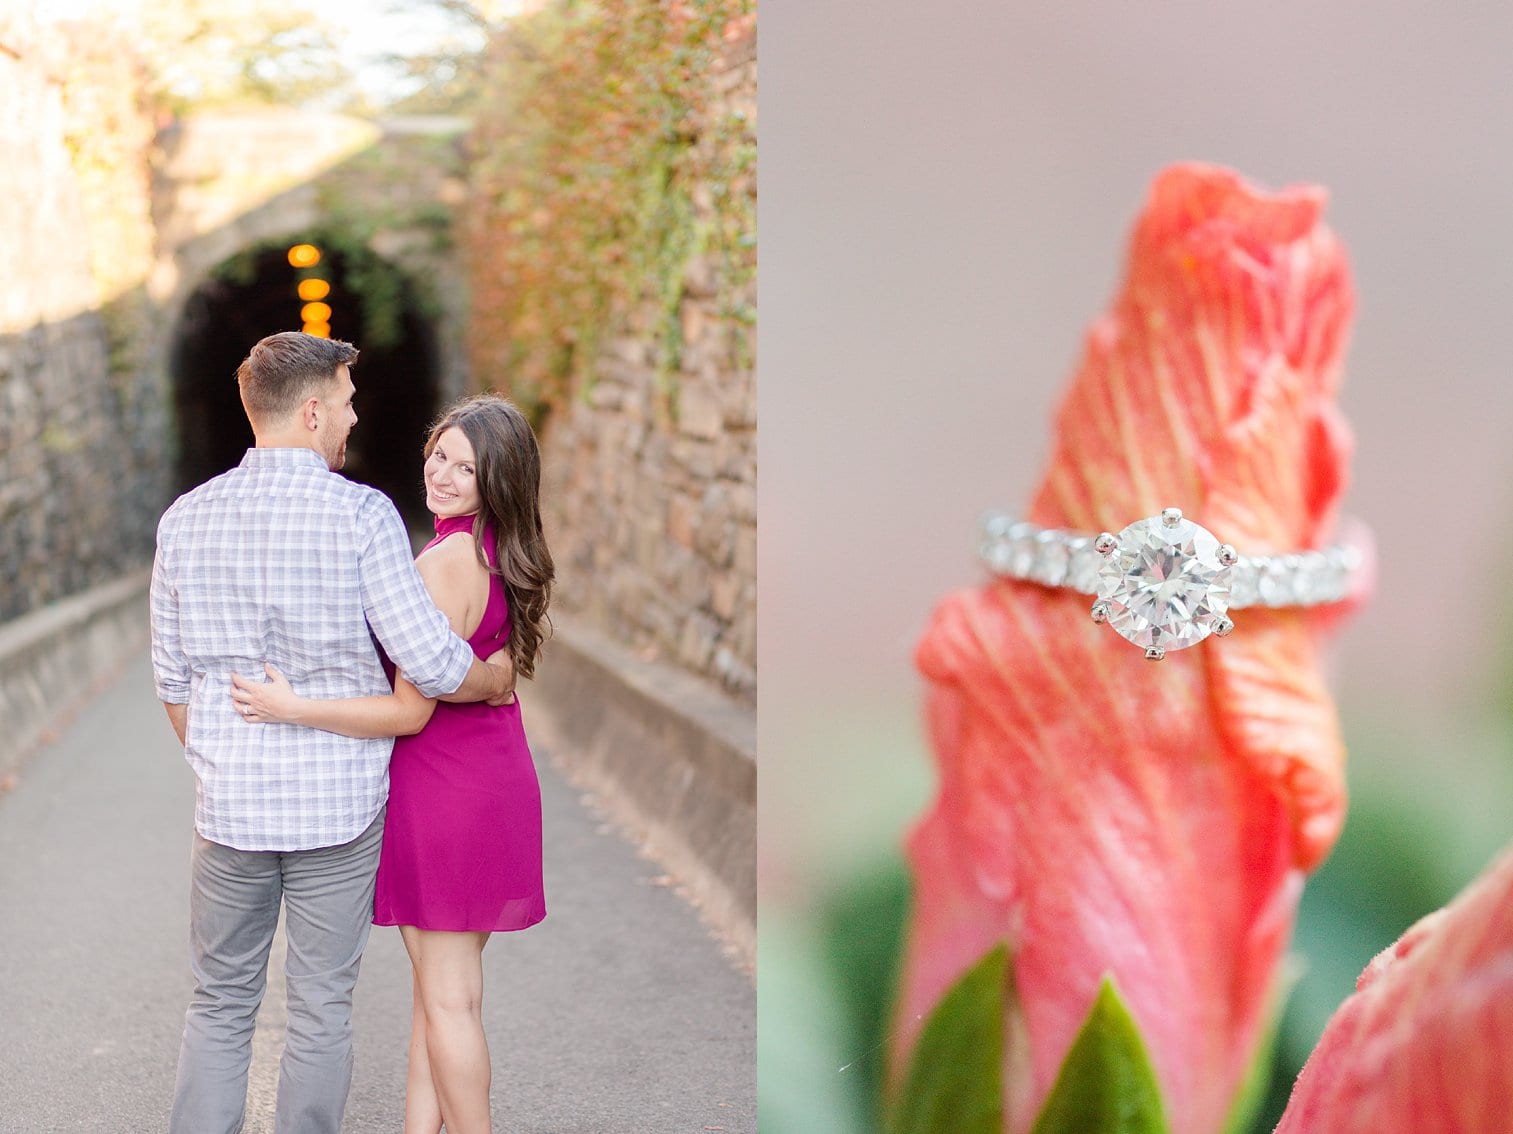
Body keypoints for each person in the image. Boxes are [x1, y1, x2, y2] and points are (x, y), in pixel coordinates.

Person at [149, 332, 516, 1134]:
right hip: (338, 813)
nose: (353, 417)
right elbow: (430, 659)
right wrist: (495, 678)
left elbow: (173, 680)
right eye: (348, 401)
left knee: (219, 1001)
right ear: (312, 410)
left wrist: (222, 762)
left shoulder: (185, 519)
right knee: (319, 1006)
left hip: (231, 813)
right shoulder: (362, 515)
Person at [230, 393, 554, 1134]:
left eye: (464, 468)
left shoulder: (444, 562)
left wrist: (294, 707)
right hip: (490, 777)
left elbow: (410, 705)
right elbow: (487, 669)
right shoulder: (496, 550)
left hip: (442, 789)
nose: (440, 473)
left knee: (447, 1001)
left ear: (495, 480)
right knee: (439, 997)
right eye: (439, 454)